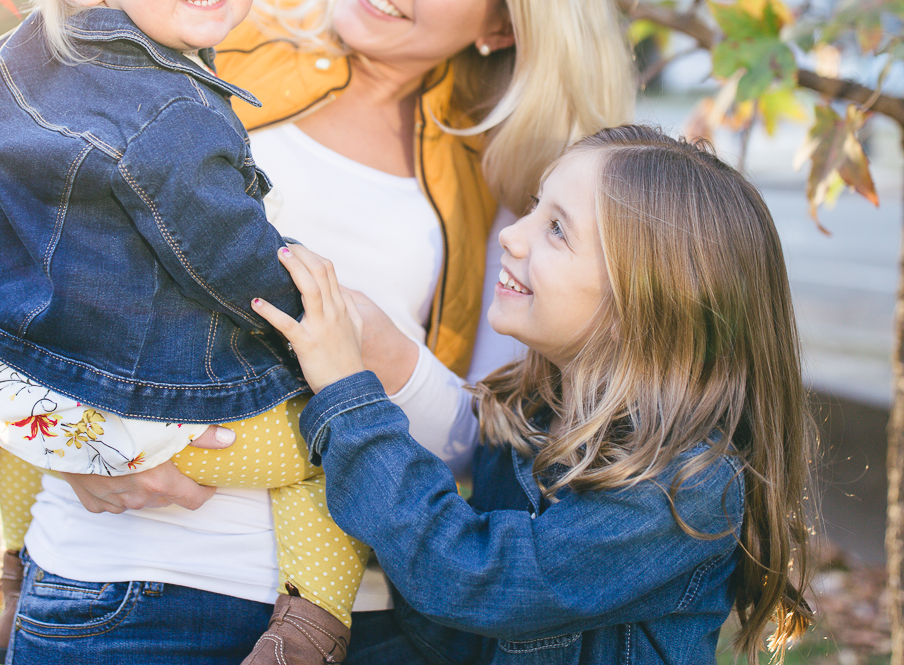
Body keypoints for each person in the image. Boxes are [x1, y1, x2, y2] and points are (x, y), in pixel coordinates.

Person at [0, 0, 637, 662]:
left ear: (500, 26)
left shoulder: (504, 185)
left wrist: (385, 360)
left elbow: (492, 441)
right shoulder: (188, 36)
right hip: (120, 572)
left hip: (351, 609)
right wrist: (62, 437)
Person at [0, 0, 377, 665]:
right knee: (327, 441)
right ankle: (311, 629)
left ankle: (15, 570)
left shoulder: (13, 54)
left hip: (11, 361)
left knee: (26, 403)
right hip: (139, 403)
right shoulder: (172, 107)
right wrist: (305, 312)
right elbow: (224, 251)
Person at [258, 125, 816, 665]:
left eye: (557, 230)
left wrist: (347, 395)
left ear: (646, 300)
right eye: (534, 207)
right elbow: (452, 641)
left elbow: (471, 578)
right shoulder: (536, 414)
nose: (512, 234)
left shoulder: (683, 488)